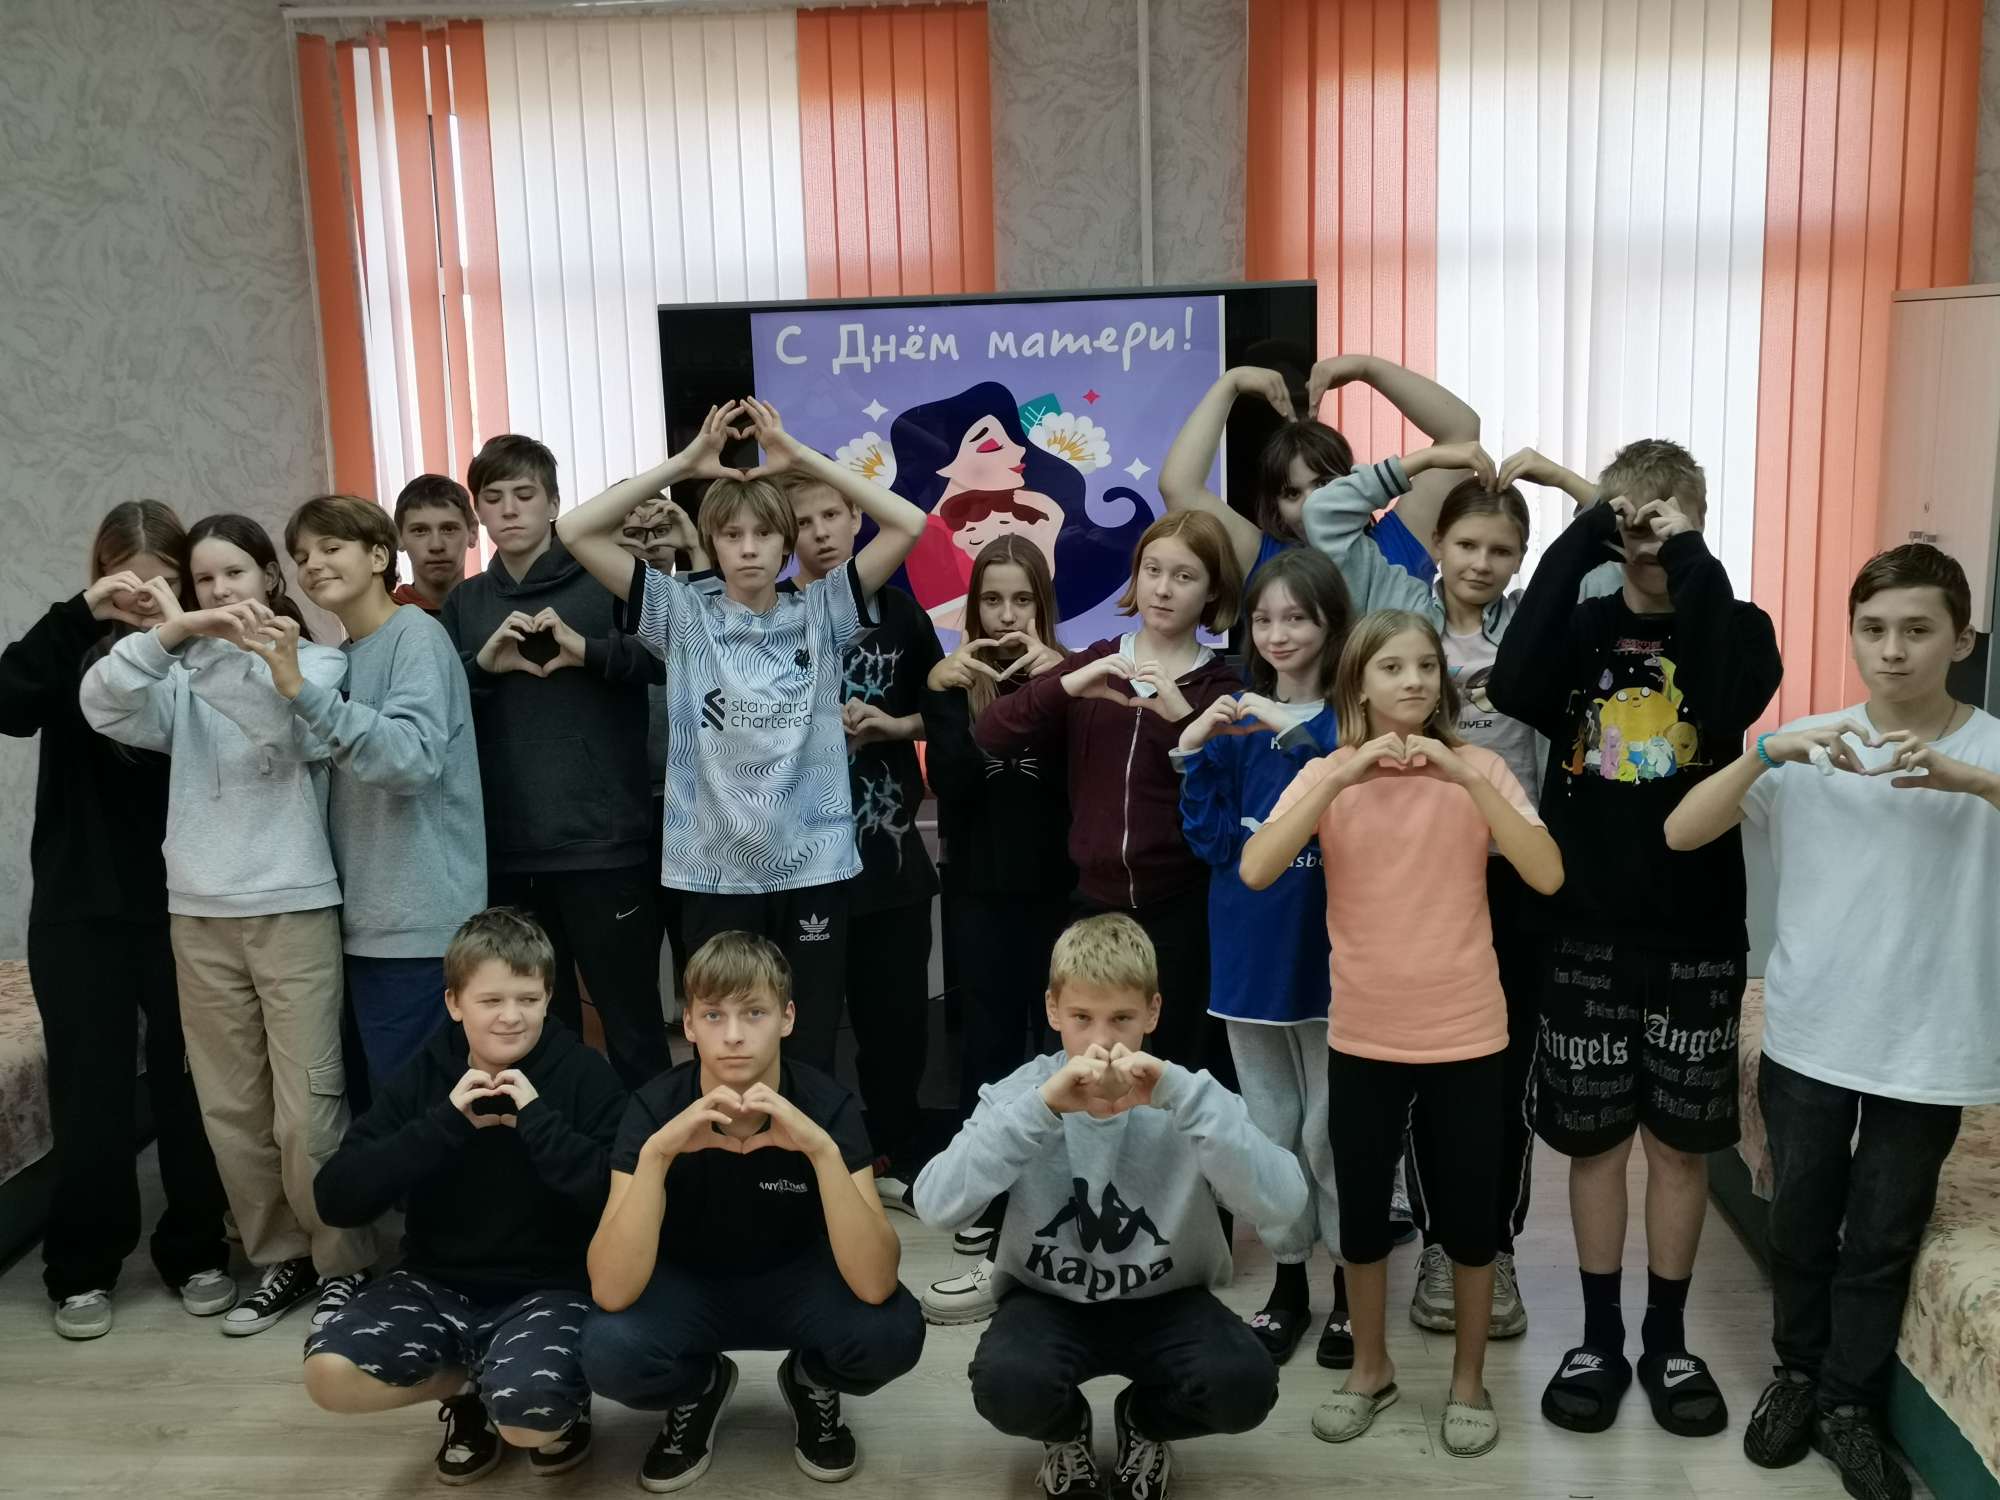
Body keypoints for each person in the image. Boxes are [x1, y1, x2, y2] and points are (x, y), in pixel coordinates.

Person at [1664, 544, 1999, 1500]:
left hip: (1931, 1045)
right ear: (1851, 635)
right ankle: (1799, 1377)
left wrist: (1974, 783)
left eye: (1917, 629)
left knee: (1884, 1235)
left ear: (1961, 640)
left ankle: (1850, 1405)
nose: (1892, 650)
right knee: (1802, 1221)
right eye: (1873, 629)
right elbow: (1681, 832)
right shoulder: (1811, 743)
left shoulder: (1989, 749)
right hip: (1810, 1033)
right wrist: (1766, 751)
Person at [1486, 440, 1782, 1439]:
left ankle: (1666, 1339)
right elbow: (1511, 683)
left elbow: (1725, 698)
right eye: (1632, 521)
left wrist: (1687, 555)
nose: (1647, 539)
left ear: (1695, 521)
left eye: (1667, 521)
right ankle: (1601, 1337)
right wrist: (1581, 534)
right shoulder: (1578, 630)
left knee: (1680, 1148)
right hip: (1582, 931)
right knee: (1595, 1144)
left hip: (1695, 933)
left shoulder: (1736, 625)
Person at [1242, 610, 1563, 1458]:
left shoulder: (1481, 767)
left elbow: (1546, 872)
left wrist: (1465, 777)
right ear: (1359, 682)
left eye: (1426, 665)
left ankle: (1468, 1381)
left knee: (1471, 1217)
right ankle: (1371, 1370)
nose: (1415, 680)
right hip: (1364, 1032)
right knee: (1360, 1216)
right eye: (1392, 666)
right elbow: (1257, 867)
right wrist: (1339, 779)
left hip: (1468, 1031)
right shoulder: (1329, 773)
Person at [554, 399, 927, 1074]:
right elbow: (575, 529)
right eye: (731, 534)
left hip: (813, 866)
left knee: (808, 1048)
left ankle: (803, 1145)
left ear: (786, 544)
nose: (749, 547)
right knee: (727, 1050)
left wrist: (798, 458)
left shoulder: (824, 609)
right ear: (713, 543)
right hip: (713, 871)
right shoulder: (681, 614)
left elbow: (910, 522)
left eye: (763, 533)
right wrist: (685, 466)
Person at [80, 512, 376, 1337]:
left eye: (233, 574)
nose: (219, 590)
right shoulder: (178, 671)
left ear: (270, 579)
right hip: (198, 913)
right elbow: (101, 703)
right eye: (204, 579)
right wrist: (170, 636)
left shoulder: (316, 660)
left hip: (292, 905)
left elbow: (277, 722)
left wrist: (196, 638)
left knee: (308, 1110)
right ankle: (280, 1258)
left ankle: (343, 1263)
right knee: (232, 1112)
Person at [914, 913, 1307, 1500]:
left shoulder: (1190, 1094)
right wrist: (1040, 1109)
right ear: (1053, 1011)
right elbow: (935, 1205)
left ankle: (1143, 1421)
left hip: (1168, 1299)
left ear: (1153, 1012)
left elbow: (1285, 1203)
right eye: (1082, 1018)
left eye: (1122, 1018)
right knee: (1006, 1385)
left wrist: (1186, 1100)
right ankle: (1065, 1430)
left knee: (1245, 1386)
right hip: (1048, 1300)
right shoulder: (1022, 1094)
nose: (1102, 1043)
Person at [1305, 460, 1555, 1340]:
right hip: (1404, 858)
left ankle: (1491, 1242)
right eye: (1467, 544)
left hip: (1506, 863)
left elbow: (1611, 554)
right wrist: (1419, 463)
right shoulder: (1398, 603)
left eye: (1503, 550)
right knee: (1407, 1074)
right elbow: (1328, 519)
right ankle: (1441, 1244)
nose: (1483, 564)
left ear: (1520, 560)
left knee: (1495, 1079)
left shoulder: (1532, 624)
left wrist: (1559, 476)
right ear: (1436, 545)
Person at [581, 931, 926, 1492]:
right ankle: (699, 1385)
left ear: (787, 1018)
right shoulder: (653, 1109)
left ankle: (811, 1379)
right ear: (688, 1024)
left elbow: (875, 1282)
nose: (734, 1035)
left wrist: (821, 1151)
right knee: (607, 1351)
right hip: (689, 1285)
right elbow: (611, 1290)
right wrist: (658, 1155)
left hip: (798, 1282)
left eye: (755, 1013)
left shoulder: (826, 1105)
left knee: (894, 1332)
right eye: (713, 1015)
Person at [1, 501, 229, 1341]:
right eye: (124, 583)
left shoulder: (202, 647)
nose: (141, 598)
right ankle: (82, 1268)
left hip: (185, 899)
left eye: (161, 582)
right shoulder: (70, 644)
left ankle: (197, 1248)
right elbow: (7, 702)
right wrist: (80, 612)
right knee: (88, 1093)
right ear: (99, 577)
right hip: (77, 908)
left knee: (188, 1085)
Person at [305, 906, 627, 1485]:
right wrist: (443, 1126)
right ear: (455, 1003)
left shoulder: (585, 1074)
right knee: (328, 1374)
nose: (511, 1016)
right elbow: (337, 1199)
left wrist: (539, 1124)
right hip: (434, 1283)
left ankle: (542, 1399)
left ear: (548, 999)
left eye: (527, 999)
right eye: (490, 1000)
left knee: (527, 1420)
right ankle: (466, 1389)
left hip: (550, 1288)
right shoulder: (426, 1074)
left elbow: (624, 1202)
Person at [974, 511, 1243, 1073]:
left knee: (1177, 1070)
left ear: (1213, 590)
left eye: (1184, 576)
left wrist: (1181, 721)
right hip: (1091, 904)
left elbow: (1227, 798)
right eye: (1152, 570)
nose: (1163, 589)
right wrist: (1067, 683)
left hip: (1182, 910)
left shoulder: (1220, 687)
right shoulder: (1098, 660)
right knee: (1092, 1070)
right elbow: (993, 732)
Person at [441, 434, 669, 1089]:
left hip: (605, 844)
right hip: (510, 850)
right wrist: (482, 666)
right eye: (494, 498)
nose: (510, 509)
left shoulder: (607, 579)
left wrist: (588, 650)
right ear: (479, 513)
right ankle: (560, 1148)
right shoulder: (465, 603)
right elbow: (440, 708)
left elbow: (668, 659)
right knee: (539, 1029)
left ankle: (652, 1150)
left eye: (525, 494)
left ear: (554, 503)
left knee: (632, 1023)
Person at [1175, 547, 1351, 1368]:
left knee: (1330, 1133)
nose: (1279, 634)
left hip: (1334, 959)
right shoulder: (1236, 720)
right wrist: (1191, 751)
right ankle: (1289, 1281)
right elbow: (1212, 842)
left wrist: (1297, 728)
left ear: (1331, 624)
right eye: (1265, 619)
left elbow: (1359, 793)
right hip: (1248, 960)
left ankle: (1352, 1284)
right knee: (1271, 1128)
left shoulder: (1353, 721)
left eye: (1298, 618)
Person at [277, 493, 488, 1085]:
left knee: (417, 1105)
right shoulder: (340, 659)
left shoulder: (416, 636)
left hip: (419, 925)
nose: (313, 564)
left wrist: (301, 692)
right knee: (378, 1104)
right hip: (362, 923)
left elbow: (410, 760)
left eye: (330, 547)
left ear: (377, 557)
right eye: (301, 556)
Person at [916, 535, 1073, 1326]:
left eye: (1021, 599)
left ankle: (1056, 1192)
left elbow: (1075, 783)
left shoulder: (1072, 678)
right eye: (992, 600)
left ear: (1042, 605)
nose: (1006, 616)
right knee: (987, 1046)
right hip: (979, 892)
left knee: (1060, 1047)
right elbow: (955, 785)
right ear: (973, 608)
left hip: (1061, 896)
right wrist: (947, 693)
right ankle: (986, 1192)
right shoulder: (952, 685)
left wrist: (1054, 681)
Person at [786, 468, 945, 1206]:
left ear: (857, 517)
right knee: (808, 1029)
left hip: (891, 859)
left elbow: (946, 711)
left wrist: (893, 725)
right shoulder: (772, 614)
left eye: (831, 515)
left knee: (897, 1024)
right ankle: (813, 1163)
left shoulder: (902, 614)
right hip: (801, 868)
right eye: (803, 521)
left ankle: (896, 1152)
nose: (820, 533)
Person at [1159, 354, 1467, 587]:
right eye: (1292, 493)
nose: (1312, 503)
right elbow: (1179, 488)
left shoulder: (1399, 543)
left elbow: (1462, 434)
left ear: (1356, 482)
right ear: (1276, 508)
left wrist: (1367, 368)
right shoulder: (1263, 561)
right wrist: (1230, 382)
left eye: (1323, 484)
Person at [884, 381, 1154, 627]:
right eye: (992, 446)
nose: (1019, 450)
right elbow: (946, 617)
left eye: (1013, 438)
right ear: (942, 465)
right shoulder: (931, 536)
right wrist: (1043, 545)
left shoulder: (1031, 510)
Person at [392, 474, 477, 613]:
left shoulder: (499, 611)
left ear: (473, 532)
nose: (436, 546)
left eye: (448, 529)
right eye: (420, 531)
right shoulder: (383, 620)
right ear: (399, 537)